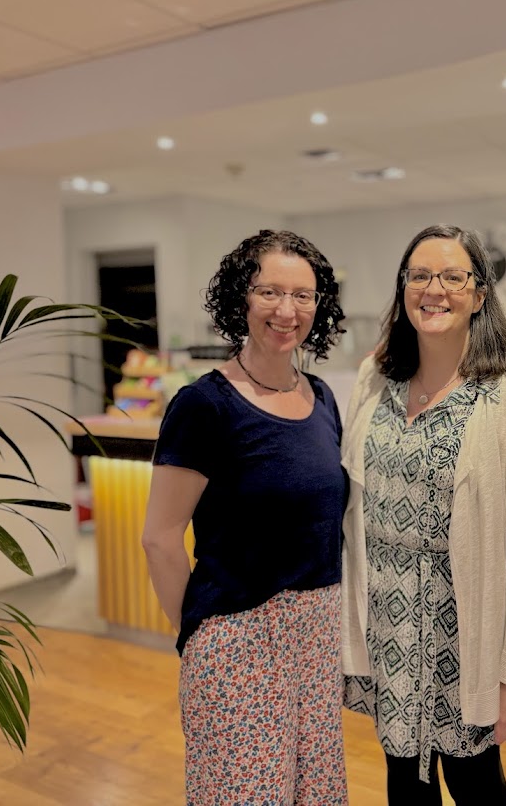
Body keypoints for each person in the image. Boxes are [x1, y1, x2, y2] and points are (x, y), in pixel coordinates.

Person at [340, 224, 506, 805]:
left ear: (479, 294)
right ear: (403, 287)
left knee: (476, 785)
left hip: (465, 635)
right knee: (403, 786)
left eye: (453, 277)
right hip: (388, 628)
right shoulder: (374, 378)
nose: (434, 289)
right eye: (419, 275)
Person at [141, 229, 349, 806]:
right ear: (241, 298)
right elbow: (160, 538)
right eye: (269, 292)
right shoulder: (204, 405)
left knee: (316, 794)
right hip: (238, 642)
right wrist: (201, 637)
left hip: (317, 638)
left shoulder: (322, 398)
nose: (287, 310)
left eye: (303, 295)